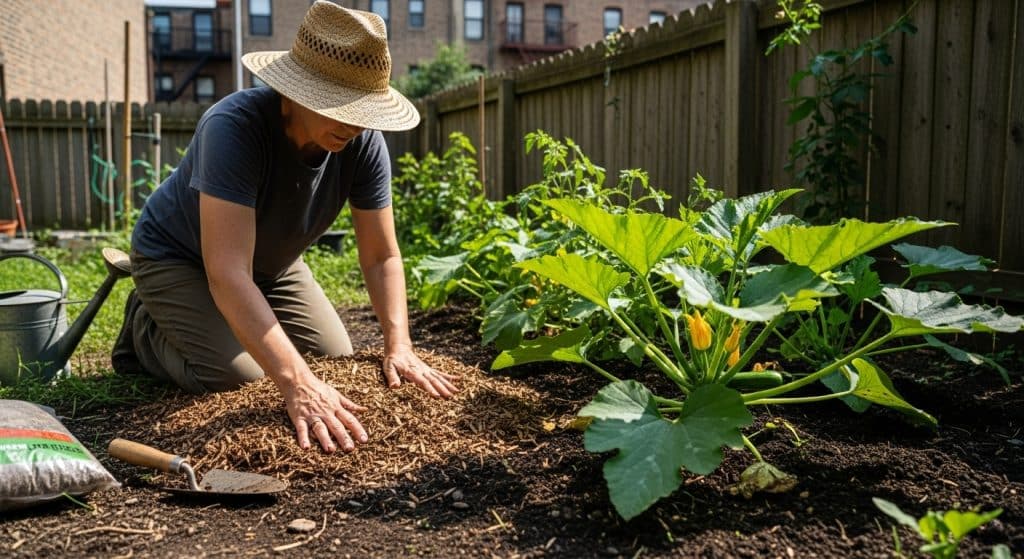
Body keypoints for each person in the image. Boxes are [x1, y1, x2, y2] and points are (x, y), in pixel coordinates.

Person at [111, 1, 458, 453]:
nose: (355, 124)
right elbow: (227, 272)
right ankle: (146, 324)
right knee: (240, 377)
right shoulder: (234, 128)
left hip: (270, 263)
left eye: (363, 110)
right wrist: (297, 383)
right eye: (340, 107)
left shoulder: (363, 143)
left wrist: (400, 344)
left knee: (335, 358)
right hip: (180, 257)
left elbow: (382, 255)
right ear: (296, 93)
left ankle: (216, 324)